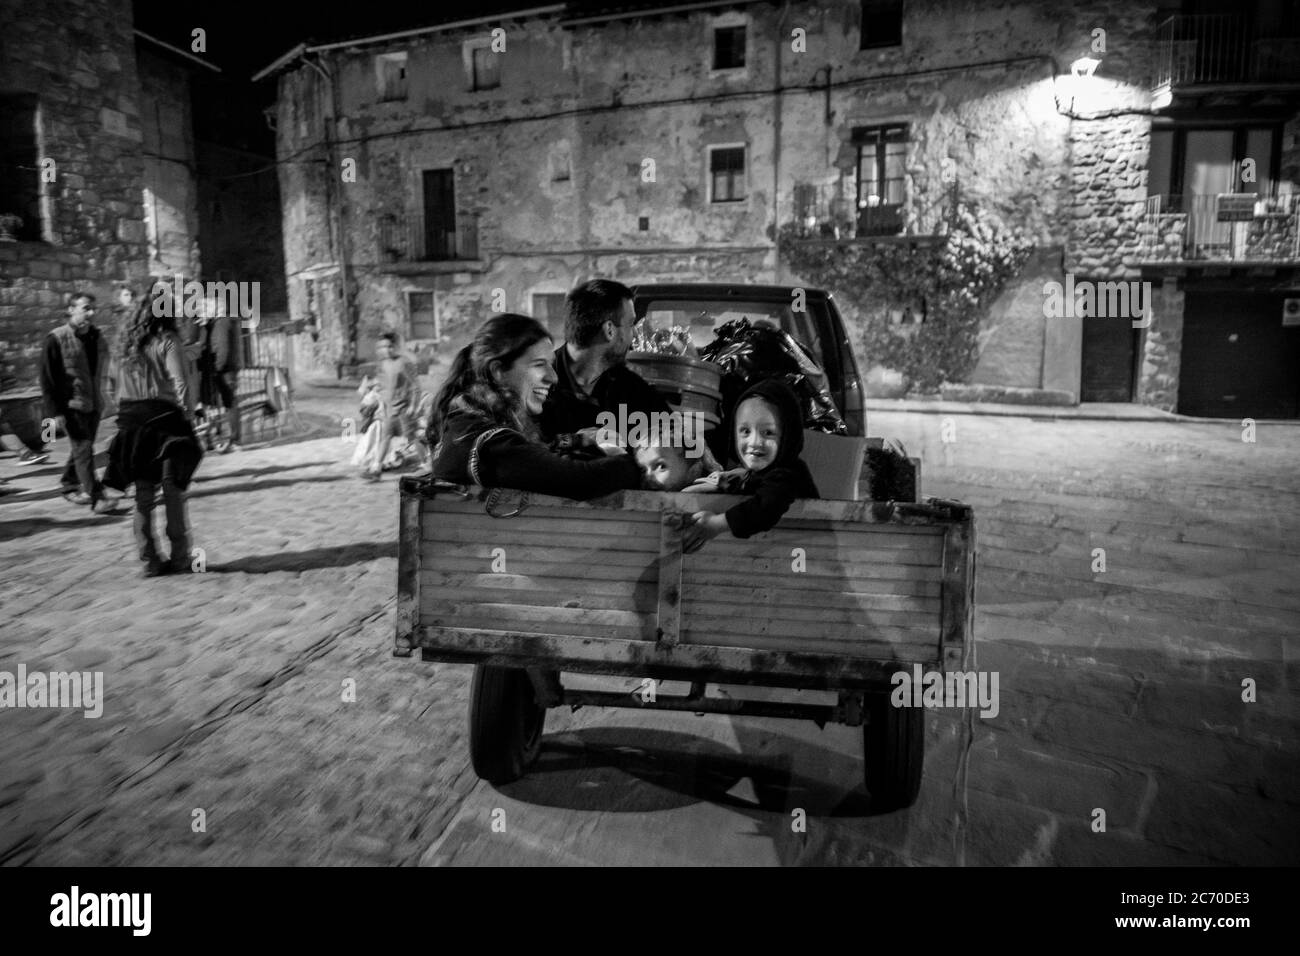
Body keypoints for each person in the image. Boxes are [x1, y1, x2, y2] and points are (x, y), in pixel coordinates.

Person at [428, 313, 641, 499]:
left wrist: (576, 440)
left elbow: (532, 452)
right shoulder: (489, 444)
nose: (553, 376)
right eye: (539, 364)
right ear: (498, 371)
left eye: (551, 363)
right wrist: (645, 461)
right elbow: (582, 479)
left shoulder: (471, 422)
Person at [103, 295, 204, 577]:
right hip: (166, 422)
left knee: (143, 496)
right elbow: (180, 382)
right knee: (174, 492)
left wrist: (123, 414)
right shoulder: (167, 340)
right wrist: (187, 414)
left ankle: (149, 560)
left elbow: (110, 387)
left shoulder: (123, 345)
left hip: (133, 424)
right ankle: (181, 557)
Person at [677, 378, 820, 554]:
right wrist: (727, 481)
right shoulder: (767, 471)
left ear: (788, 437)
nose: (754, 442)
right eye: (745, 431)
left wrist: (717, 524)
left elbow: (766, 507)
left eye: (768, 433)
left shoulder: (789, 474)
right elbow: (754, 482)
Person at [537, 279, 671, 445]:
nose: (634, 334)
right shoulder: (539, 382)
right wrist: (572, 441)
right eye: (630, 324)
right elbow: (515, 449)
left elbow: (675, 436)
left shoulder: (630, 387)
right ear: (609, 330)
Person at [39, 291, 111, 509]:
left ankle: (69, 484)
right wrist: (55, 413)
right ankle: (97, 497)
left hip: (94, 403)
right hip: (71, 404)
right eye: (85, 308)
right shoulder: (56, 339)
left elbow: (105, 369)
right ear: (71, 310)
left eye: (92, 309)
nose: (90, 313)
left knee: (82, 449)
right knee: (83, 449)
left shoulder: (97, 337)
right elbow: (47, 379)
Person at [356, 332, 419, 478]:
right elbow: (382, 385)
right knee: (386, 436)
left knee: (412, 437)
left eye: (390, 346)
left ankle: (428, 464)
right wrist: (371, 389)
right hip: (390, 409)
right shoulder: (383, 364)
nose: (386, 350)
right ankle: (376, 469)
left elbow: (416, 386)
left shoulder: (404, 363)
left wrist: (413, 406)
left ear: (396, 347)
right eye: (383, 347)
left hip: (404, 407)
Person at [192, 292, 243, 450]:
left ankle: (234, 440)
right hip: (224, 369)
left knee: (229, 402)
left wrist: (217, 368)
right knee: (226, 402)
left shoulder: (222, 323)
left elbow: (222, 348)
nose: (203, 310)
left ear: (216, 307)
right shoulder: (217, 323)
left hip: (224, 370)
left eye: (206, 306)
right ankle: (224, 438)